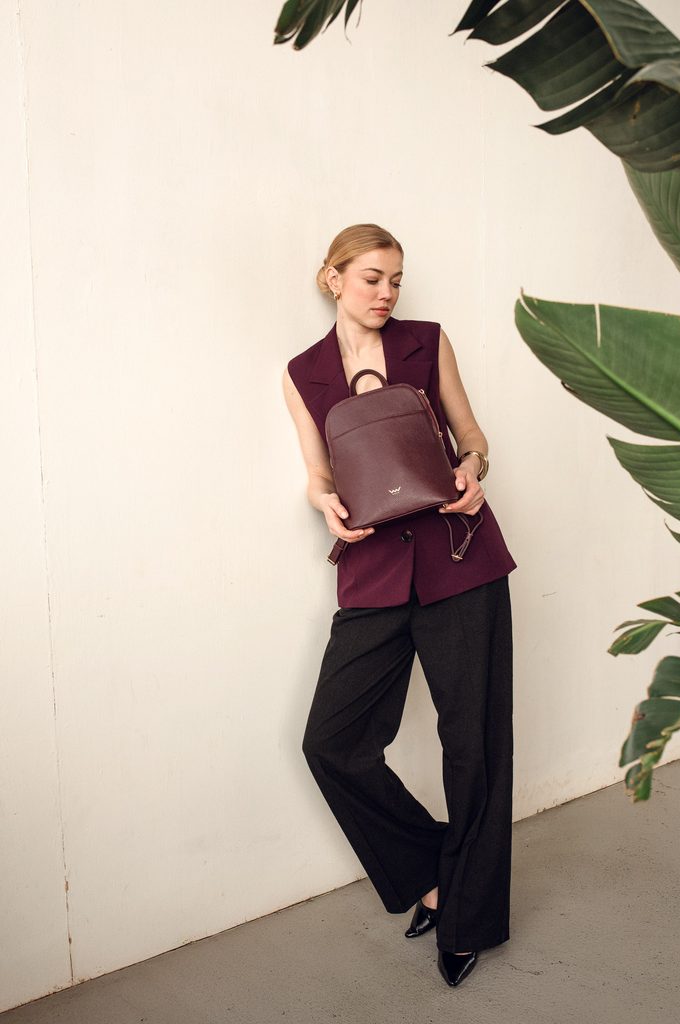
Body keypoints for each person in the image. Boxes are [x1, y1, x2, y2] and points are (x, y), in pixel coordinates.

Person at [283, 224, 516, 988]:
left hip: (460, 558)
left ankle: (470, 919)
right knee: (332, 742)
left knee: (475, 747)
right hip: (374, 574)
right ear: (333, 278)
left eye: (395, 281)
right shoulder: (304, 373)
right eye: (372, 278)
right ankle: (433, 875)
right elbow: (319, 473)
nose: (386, 293)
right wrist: (322, 504)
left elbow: (472, 433)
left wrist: (473, 467)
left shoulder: (427, 341)